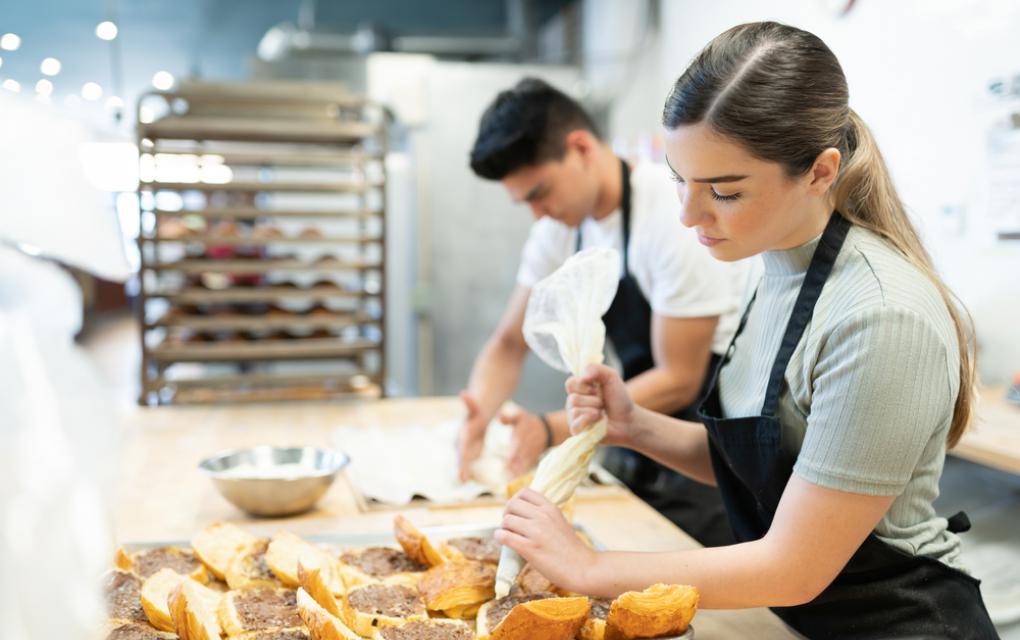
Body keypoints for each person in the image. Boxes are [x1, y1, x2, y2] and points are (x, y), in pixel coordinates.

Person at [494, 22, 998, 639]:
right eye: (680, 179)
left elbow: (796, 565)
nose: (687, 214)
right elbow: (777, 468)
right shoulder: (777, 263)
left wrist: (589, 567)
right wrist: (635, 427)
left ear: (819, 172)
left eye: (724, 192)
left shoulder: (880, 317)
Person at [459, 78, 748, 547]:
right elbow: (508, 344)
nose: (538, 213)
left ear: (581, 147)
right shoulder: (562, 225)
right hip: (633, 437)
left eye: (539, 192)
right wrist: (479, 414)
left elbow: (679, 377)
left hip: (703, 450)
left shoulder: (670, 219)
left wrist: (549, 429)